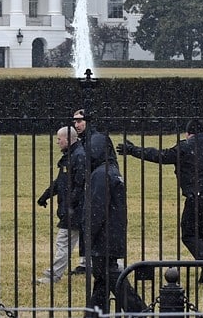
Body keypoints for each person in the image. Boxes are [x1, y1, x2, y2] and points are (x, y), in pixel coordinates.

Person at [116, 119, 203, 289]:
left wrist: (133, 150)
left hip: (197, 197)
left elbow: (160, 156)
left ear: (188, 134)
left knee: (189, 234)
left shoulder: (185, 147)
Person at [85, 130, 146, 313]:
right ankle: (95, 313)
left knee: (110, 276)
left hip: (103, 236)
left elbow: (96, 209)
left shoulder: (100, 174)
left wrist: (88, 234)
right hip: (112, 233)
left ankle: (138, 310)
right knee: (103, 280)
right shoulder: (112, 171)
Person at [35, 126, 86, 284]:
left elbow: (79, 185)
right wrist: (46, 195)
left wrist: (69, 205)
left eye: (59, 139)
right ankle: (114, 267)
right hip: (75, 208)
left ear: (68, 139)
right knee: (91, 239)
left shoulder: (77, 157)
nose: (57, 142)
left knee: (63, 242)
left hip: (75, 209)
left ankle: (53, 275)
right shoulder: (72, 156)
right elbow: (60, 182)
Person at [69, 109, 89, 276]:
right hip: (83, 190)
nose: (77, 125)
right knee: (83, 224)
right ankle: (84, 261)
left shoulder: (94, 140)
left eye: (80, 121)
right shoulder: (80, 142)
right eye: (75, 122)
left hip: (93, 188)